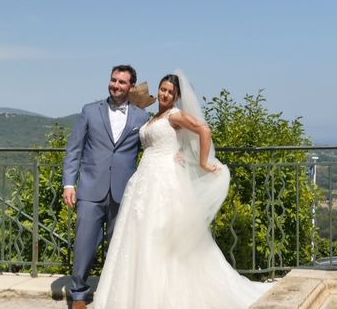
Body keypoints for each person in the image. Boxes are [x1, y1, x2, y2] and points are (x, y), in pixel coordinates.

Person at [93, 71, 273, 309]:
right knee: (140, 235)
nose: (164, 94)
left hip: (163, 181)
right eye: (162, 89)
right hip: (144, 181)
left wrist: (202, 162)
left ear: (177, 96)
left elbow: (202, 129)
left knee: (159, 234)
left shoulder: (175, 115)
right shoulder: (155, 117)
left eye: (169, 91)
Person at [62, 65, 151, 309]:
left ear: (131, 86)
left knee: (118, 246)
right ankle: (79, 295)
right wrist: (69, 183)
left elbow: (152, 148)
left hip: (124, 192)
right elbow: (74, 149)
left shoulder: (141, 117)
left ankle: (111, 294)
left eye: (122, 82)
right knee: (84, 243)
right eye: (113, 80)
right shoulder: (89, 111)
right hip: (90, 189)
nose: (116, 85)